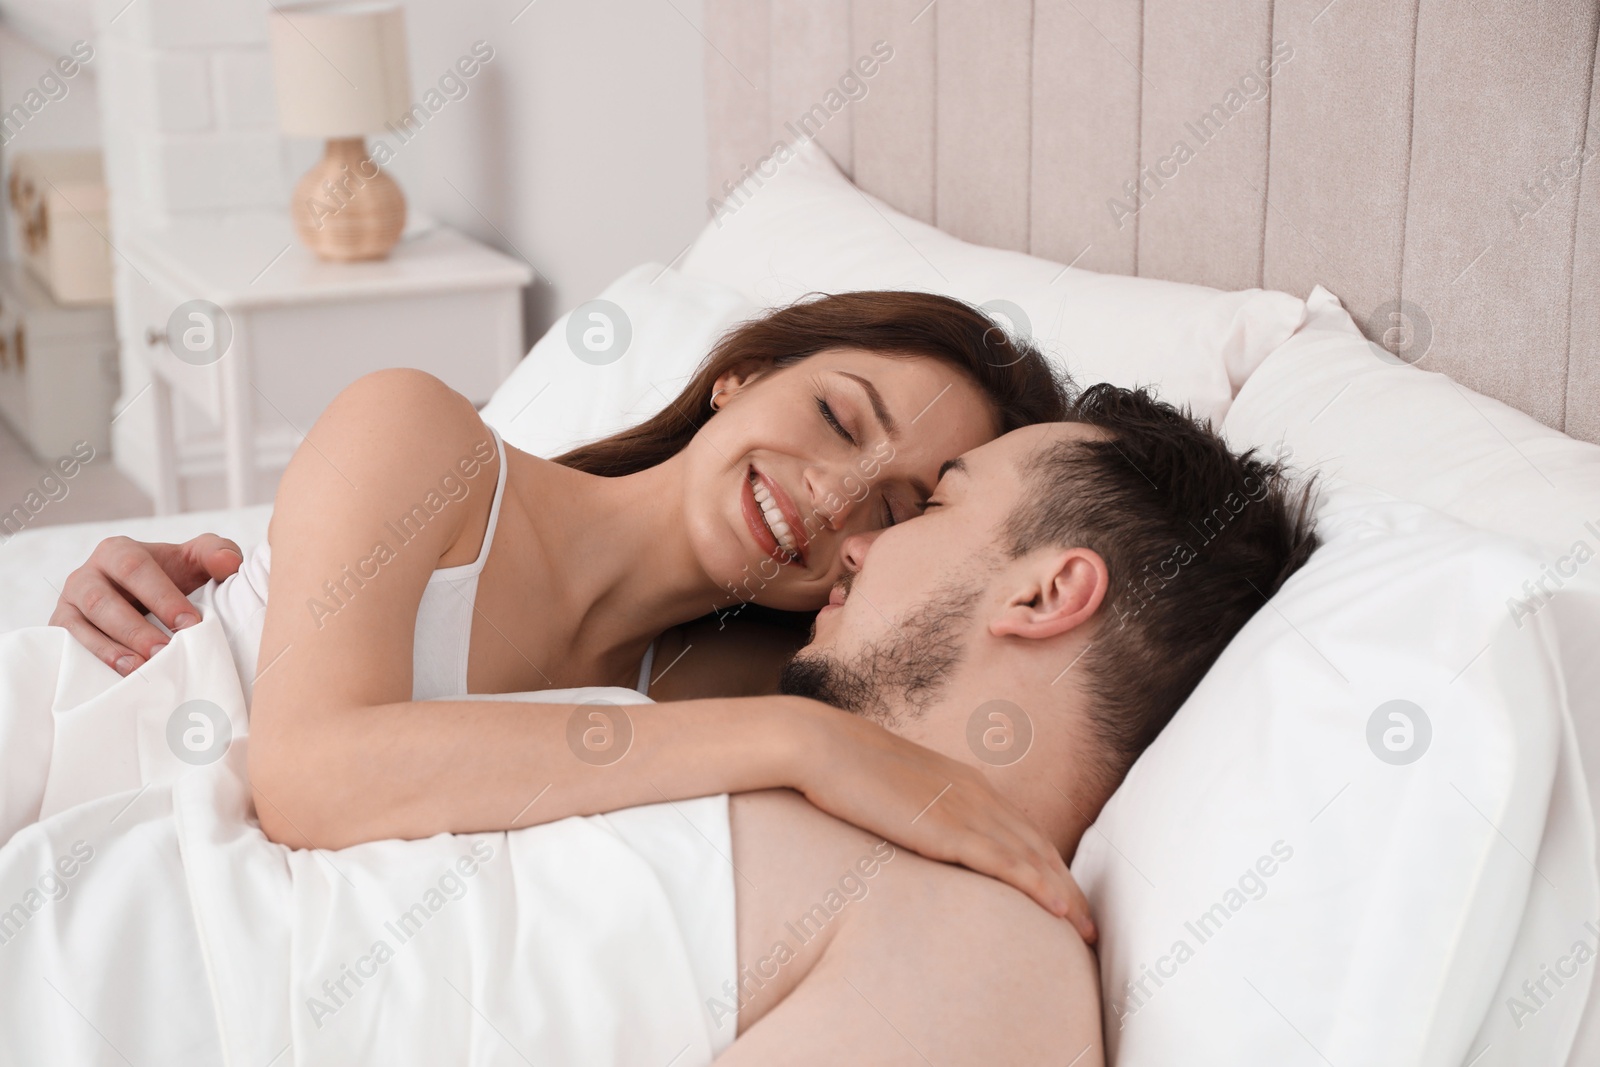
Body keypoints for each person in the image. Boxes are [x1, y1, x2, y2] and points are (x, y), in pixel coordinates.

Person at [48, 291, 1099, 937]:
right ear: (739, 375)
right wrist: (795, 737)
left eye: (893, 507)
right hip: (49, 755)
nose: (833, 498)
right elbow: (307, 776)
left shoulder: (732, 688)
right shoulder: (425, 439)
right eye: (835, 416)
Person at [657, 387, 1320, 1059]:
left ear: (1044, 594)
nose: (854, 546)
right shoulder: (746, 755)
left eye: (932, 505)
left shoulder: (988, 954)